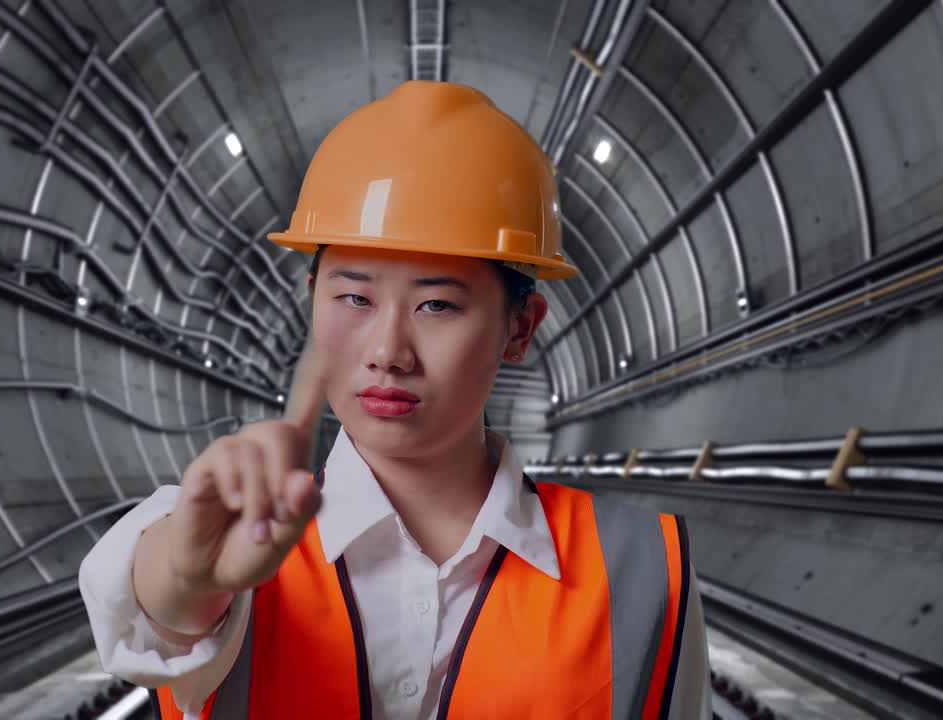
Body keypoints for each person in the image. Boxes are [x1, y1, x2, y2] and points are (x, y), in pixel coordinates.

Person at [79, 80, 711, 719]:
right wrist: (189, 578)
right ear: (312, 300)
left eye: (437, 304)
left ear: (519, 328)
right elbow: (147, 608)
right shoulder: (230, 541)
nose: (388, 350)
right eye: (354, 298)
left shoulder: (642, 571)